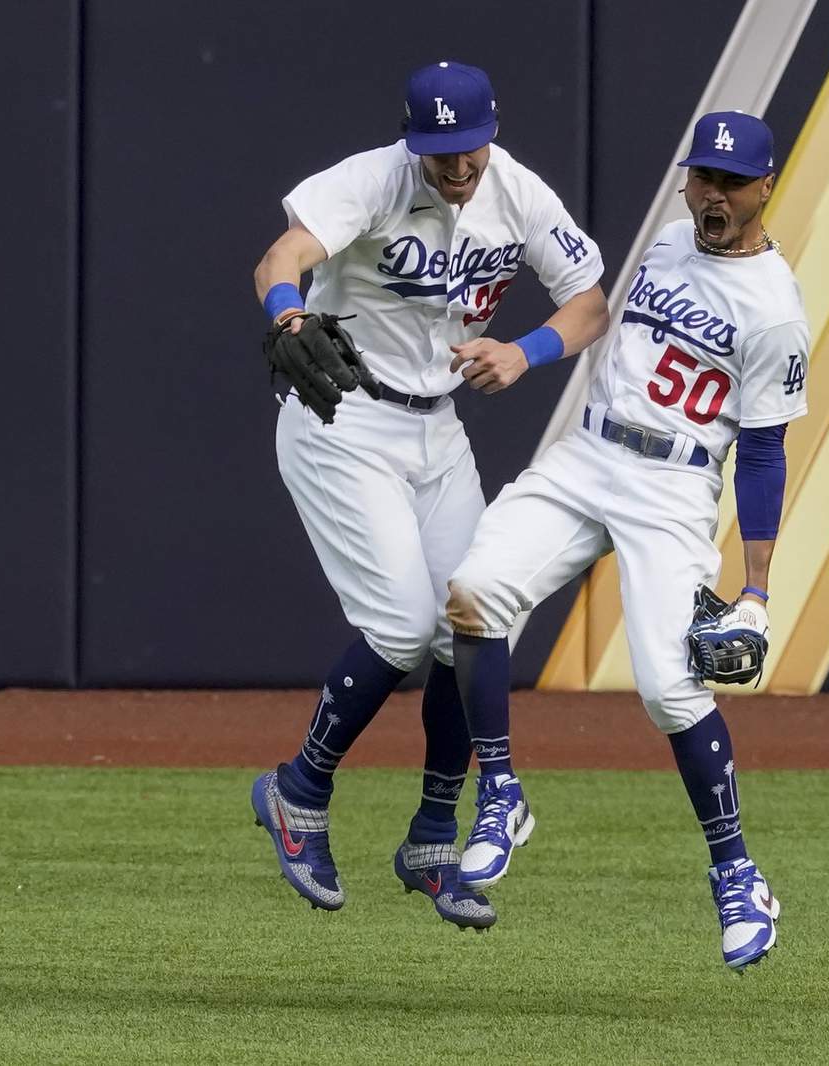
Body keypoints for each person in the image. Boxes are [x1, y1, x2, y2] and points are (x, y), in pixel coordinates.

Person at [247, 61, 610, 931]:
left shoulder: (517, 191)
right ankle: (298, 790)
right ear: (414, 139)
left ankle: (433, 836)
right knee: (404, 628)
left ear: (492, 130)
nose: (455, 165)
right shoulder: (375, 178)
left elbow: (589, 303)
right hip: (344, 412)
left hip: (436, 427)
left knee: (473, 619)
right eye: (437, 149)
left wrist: (525, 352)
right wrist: (291, 317)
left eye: (467, 147)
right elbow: (281, 257)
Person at [445, 111, 809, 969]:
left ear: (766, 187)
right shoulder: (670, 241)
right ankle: (500, 790)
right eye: (703, 178)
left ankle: (737, 875)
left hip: (674, 485)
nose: (713, 196)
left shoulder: (775, 310)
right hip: (590, 453)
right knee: (472, 591)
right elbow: (601, 317)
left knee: (669, 691)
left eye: (731, 183)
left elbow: (762, 452)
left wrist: (756, 590)